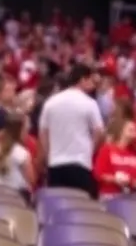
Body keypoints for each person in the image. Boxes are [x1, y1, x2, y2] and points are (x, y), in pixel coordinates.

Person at [38, 63, 103, 197]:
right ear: (83, 79)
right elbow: (99, 131)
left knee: (58, 206)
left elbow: (43, 132)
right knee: (80, 206)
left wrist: (49, 154)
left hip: (55, 164)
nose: (93, 85)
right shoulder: (90, 103)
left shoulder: (51, 102)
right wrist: (90, 150)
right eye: (91, 80)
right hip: (80, 164)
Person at [92, 117, 136, 197]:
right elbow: (99, 174)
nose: (135, 132)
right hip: (109, 195)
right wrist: (115, 179)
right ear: (120, 131)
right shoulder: (106, 150)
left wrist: (135, 182)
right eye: (130, 129)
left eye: (135, 130)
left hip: (131, 196)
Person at [0, 111, 34, 195]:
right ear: (20, 131)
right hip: (18, 197)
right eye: (26, 129)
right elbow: (31, 180)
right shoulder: (22, 153)